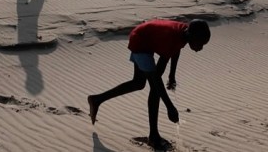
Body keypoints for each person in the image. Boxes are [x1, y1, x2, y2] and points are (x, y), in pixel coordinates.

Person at [87, 19, 211, 149]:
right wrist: (170, 107)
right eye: (200, 44)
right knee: (155, 88)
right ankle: (153, 136)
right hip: (140, 40)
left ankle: (96, 99)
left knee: (139, 83)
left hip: (147, 36)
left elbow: (177, 49)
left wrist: (172, 75)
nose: (200, 48)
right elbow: (157, 77)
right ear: (191, 36)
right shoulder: (172, 39)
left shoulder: (184, 32)